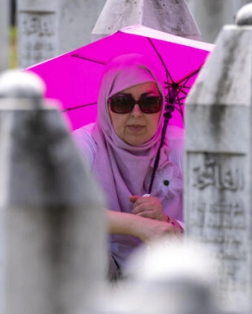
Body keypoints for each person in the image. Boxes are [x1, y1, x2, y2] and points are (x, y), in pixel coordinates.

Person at [72, 55, 184, 280]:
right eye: (122, 102)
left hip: (168, 276)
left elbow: (213, 221)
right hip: (99, 275)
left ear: (162, 106)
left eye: (149, 102)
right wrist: (137, 225)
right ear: (106, 105)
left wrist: (167, 222)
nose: (136, 114)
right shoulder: (84, 144)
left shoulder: (181, 146)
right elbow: (66, 210)